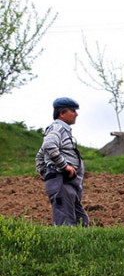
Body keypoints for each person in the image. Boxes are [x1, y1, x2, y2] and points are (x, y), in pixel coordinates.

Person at [35, 97, 90, 226]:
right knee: (65, 223)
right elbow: (49, 145)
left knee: (81, 220)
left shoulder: (62, 130)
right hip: (61, 182)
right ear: (62, 113)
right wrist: (62, 167)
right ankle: (65, 246)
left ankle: (80, 246)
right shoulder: (57, 128)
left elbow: (39, 156)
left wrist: (47, 175)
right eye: (73, 110)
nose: (76, 114)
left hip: (66, 183)